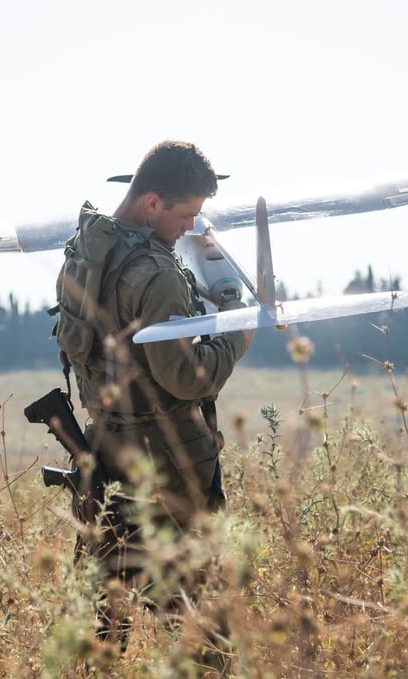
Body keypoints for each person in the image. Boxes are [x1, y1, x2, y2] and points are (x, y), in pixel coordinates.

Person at [53, 140, 253, 668]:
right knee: (201, 636)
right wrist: (236, 333)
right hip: (166, 473)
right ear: (151, 203)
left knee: (101, 634)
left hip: (105, 460)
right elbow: (186, 377)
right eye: (185, 214)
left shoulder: (84, 251)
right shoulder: (159, 274)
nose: (190, 228)